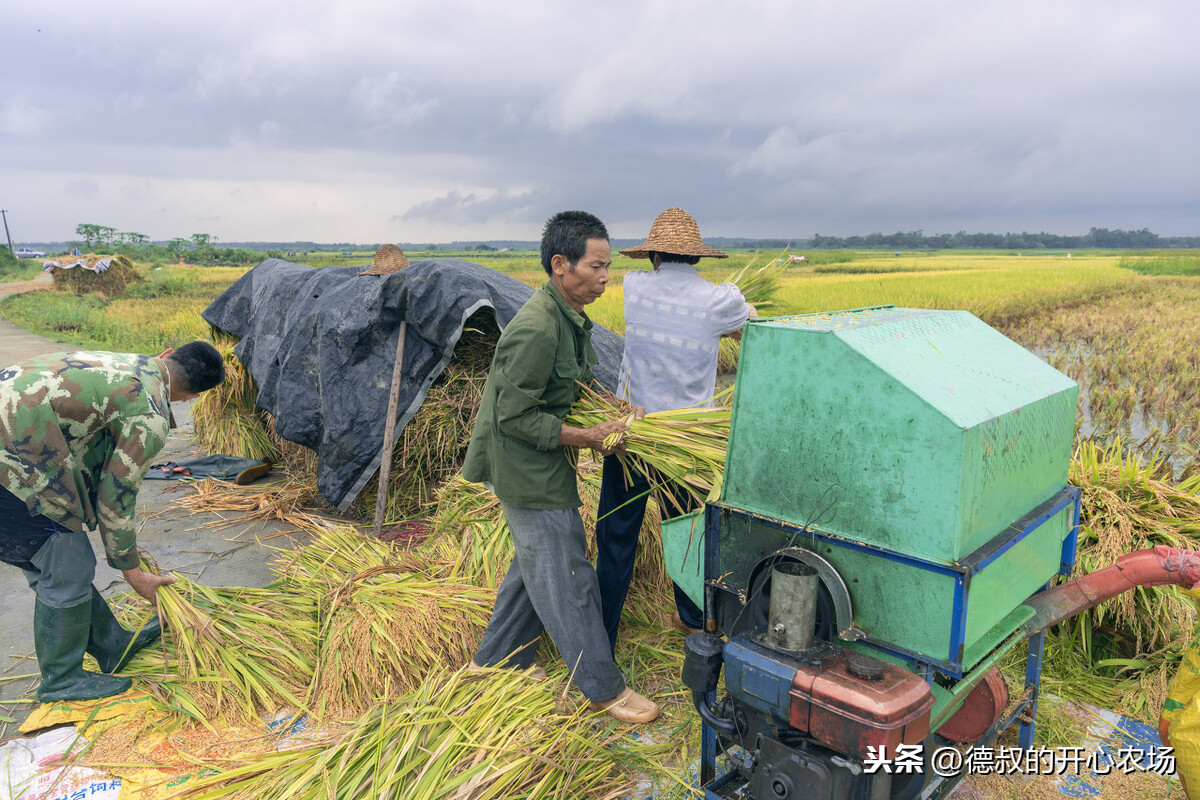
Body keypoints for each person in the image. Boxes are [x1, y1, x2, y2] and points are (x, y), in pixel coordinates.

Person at [463, 210, 659, 724]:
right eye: (595, 266)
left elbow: (573, 386)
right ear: (560, 265)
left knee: (535, 569)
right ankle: (602, 687)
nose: (604, 276)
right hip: (525, 466)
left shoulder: (569, 317)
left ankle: (493, 665)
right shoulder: (537, 327)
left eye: (607, 266)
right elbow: (515, 416)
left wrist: (614, 411)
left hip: (538, 460)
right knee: (568, 575)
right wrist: (590, 438)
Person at [0, 342, 225, 702]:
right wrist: (133, 573)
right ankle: (61, 682)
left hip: (15, 445)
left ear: (166, 353)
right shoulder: (147, 413)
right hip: (9, 467)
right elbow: (116, 495)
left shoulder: (125, 362)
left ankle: (111, 645)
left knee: (56, 563)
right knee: (65, 564)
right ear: (192, 396)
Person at [596, 207, 756, 652]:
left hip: (635, 434)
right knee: (687, 533)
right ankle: (692, 620)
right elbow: (749, 324)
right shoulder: (719, 300)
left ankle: (604, 632)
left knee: (616, 534)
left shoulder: (635, 287)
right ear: (697, 258)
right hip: (688, 443)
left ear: (652, 257)